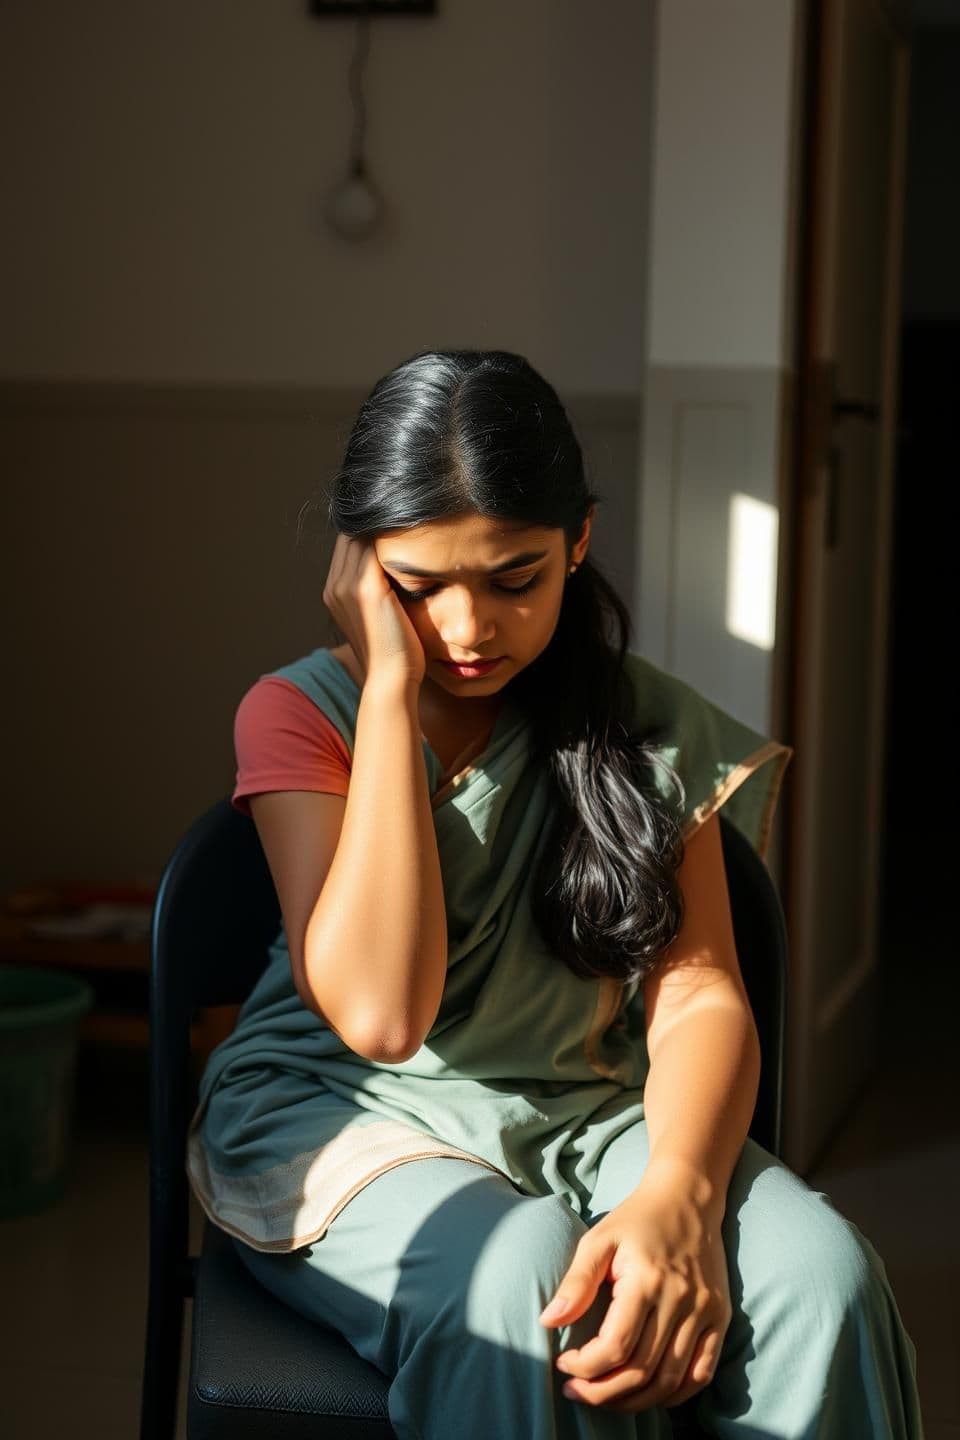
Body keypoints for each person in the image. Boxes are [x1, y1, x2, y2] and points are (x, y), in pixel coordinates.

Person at [186, 349, 924, 1439]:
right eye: (417, 588)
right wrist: (387, 691)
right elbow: (383, 1019)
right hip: (342, 1114)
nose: (469, 630)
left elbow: (702, 996)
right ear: (357, 570)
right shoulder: (306, 716)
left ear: (579, 541)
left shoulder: (647, 725)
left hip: (585, 1109)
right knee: (519, 1275)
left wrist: (678, 1189)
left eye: (513, 579)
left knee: (822, 1280)